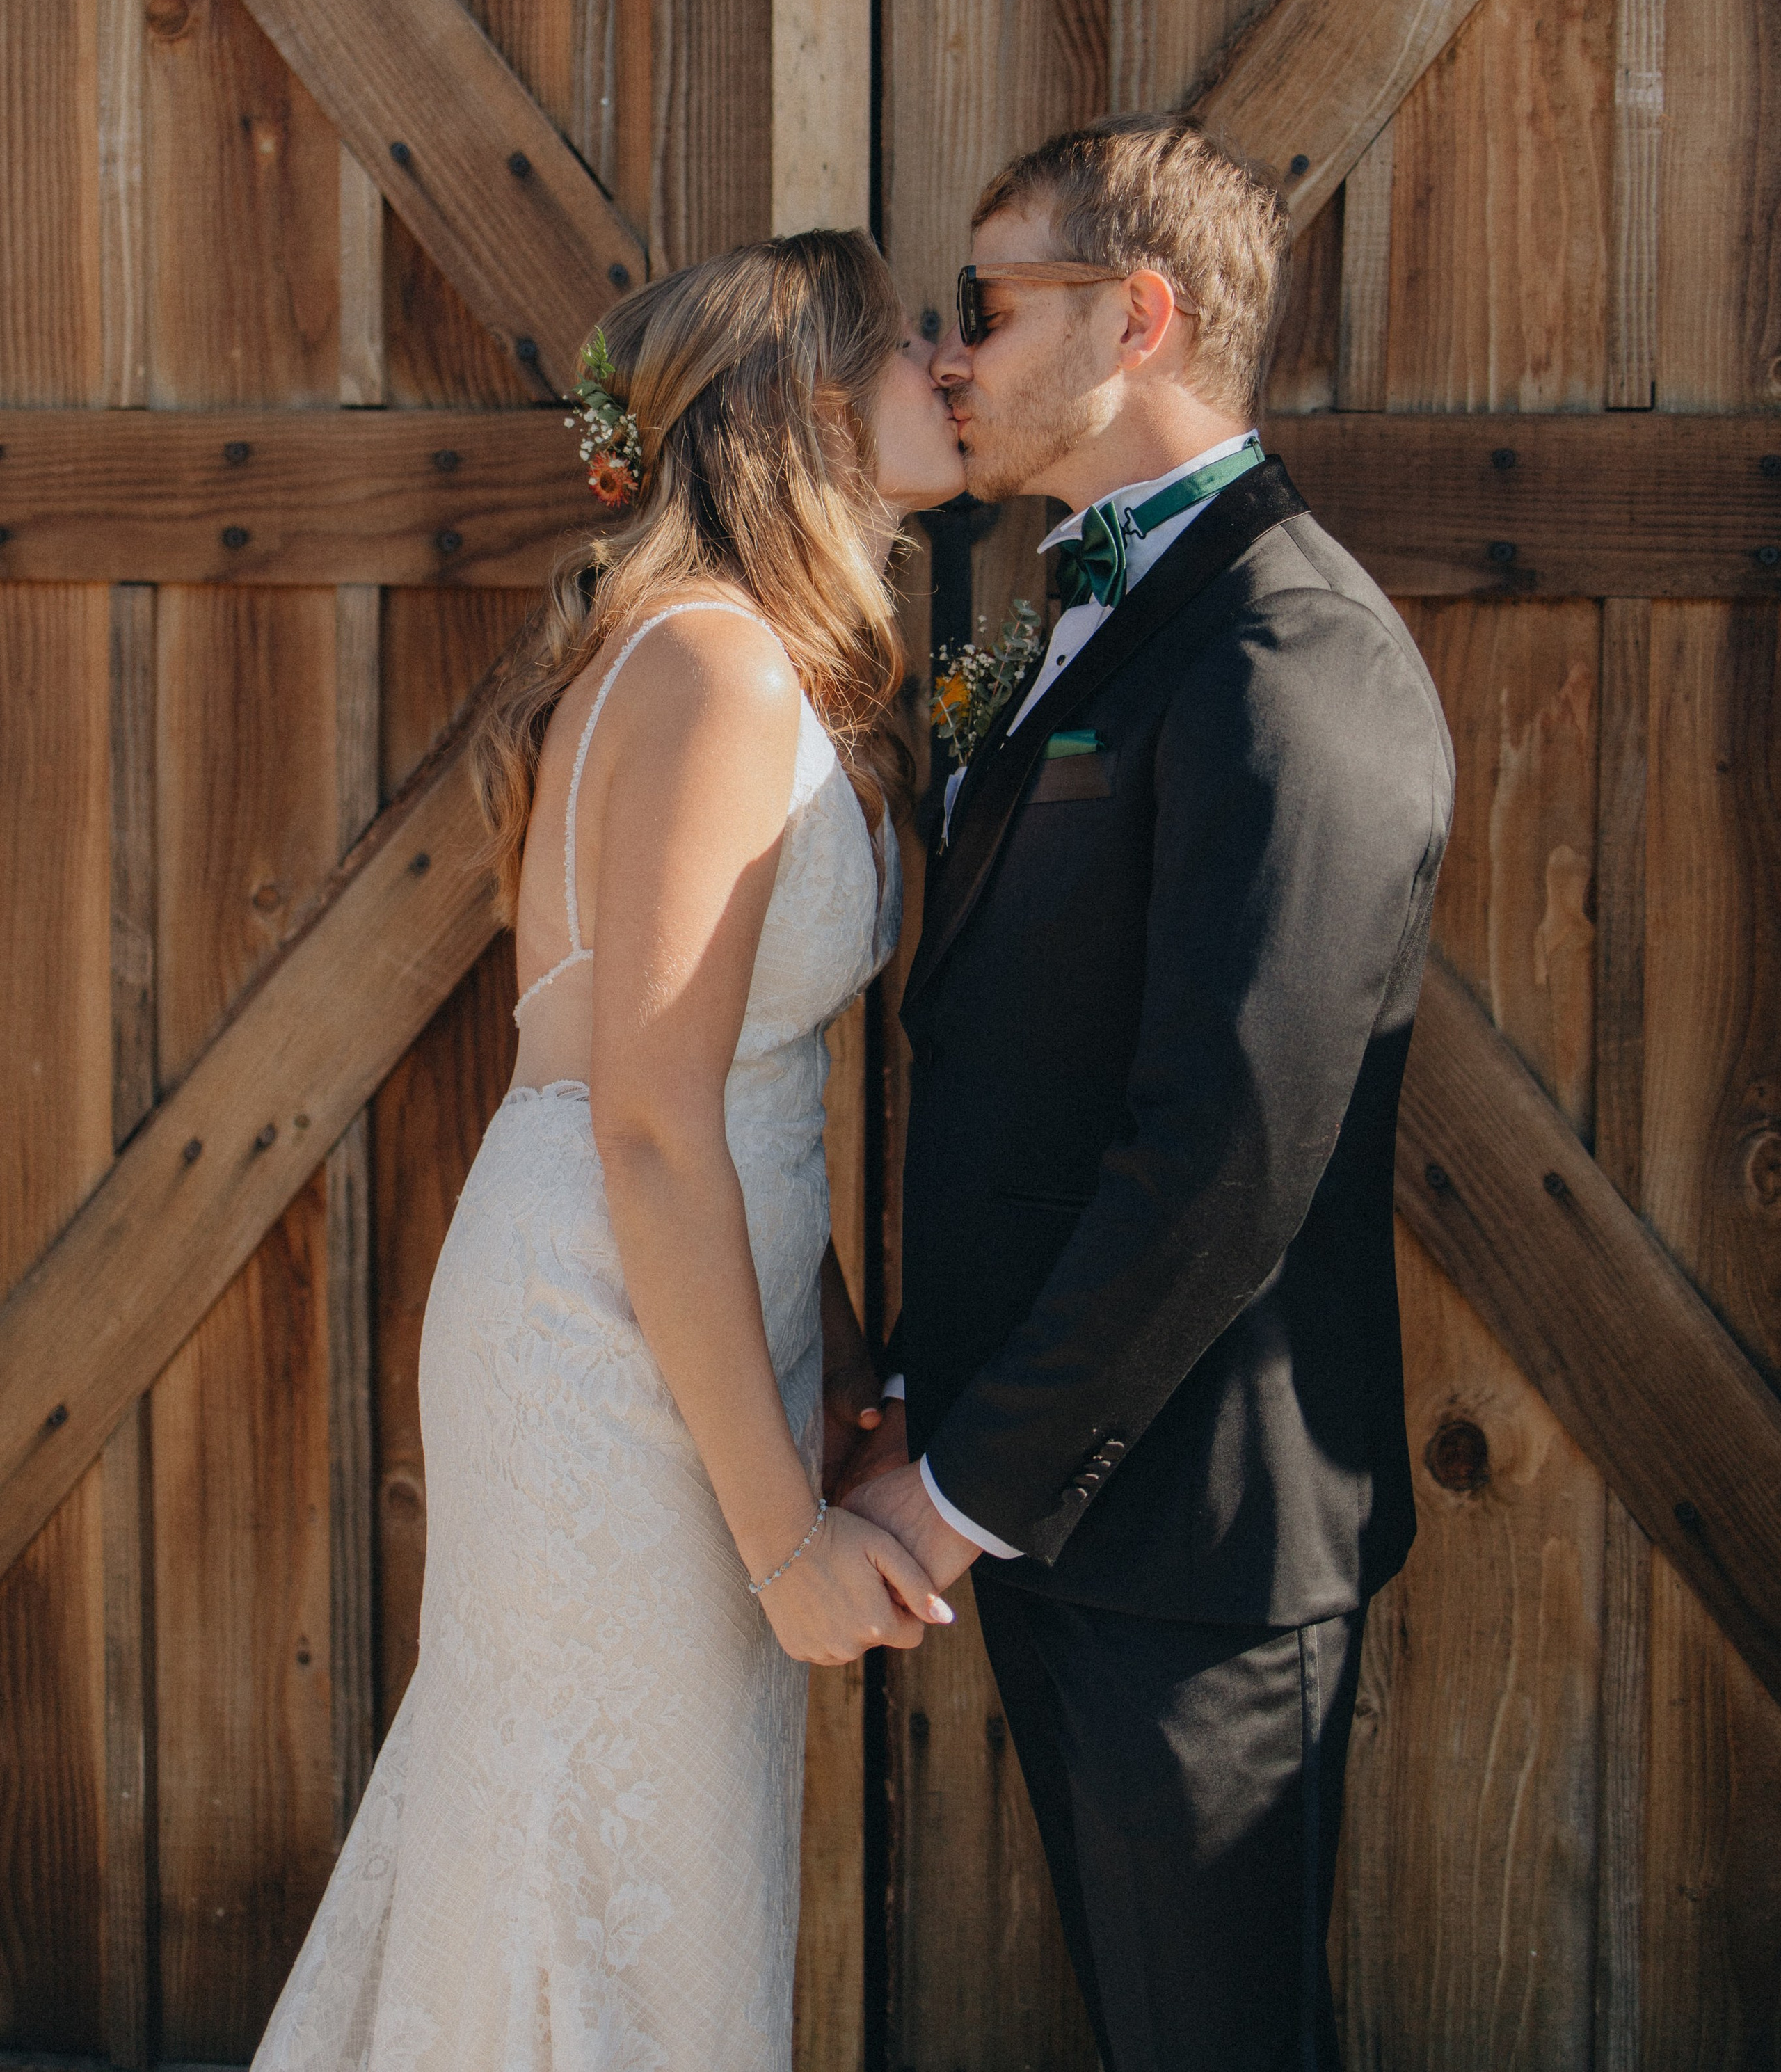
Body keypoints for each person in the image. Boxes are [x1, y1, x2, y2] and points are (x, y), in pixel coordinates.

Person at [254, 230, 967, 2071]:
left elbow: (728, 1091)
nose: (951, 366)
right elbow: (651, 1126)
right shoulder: (716, 669)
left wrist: (837, 1354)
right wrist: (788, 1545)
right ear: (812, 409)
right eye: (910, 345)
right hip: (607, 1331)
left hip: (686, 1308)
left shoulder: (724, 657)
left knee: (627, 1856)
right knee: (594, 1862)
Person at [843, 113, 1455, 2072]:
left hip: (1189, 1541)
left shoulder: (1294, 655)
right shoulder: (1091, 609)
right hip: (1057, 1503)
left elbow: (1225, 1155)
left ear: (1139, 319)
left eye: (988, 303)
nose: (953, 356)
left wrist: (962, 1495)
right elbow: (1029, 1065)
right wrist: (937, 1405)